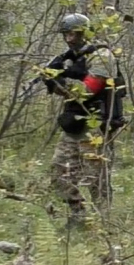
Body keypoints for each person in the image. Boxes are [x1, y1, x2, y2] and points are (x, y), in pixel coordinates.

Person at [43, 13, 123, 229]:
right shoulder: (70, 57)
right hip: (74, 124)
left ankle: (105, 224)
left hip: (96, 124)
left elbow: (87, 91)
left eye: (74, 33)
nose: (70, 38)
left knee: (95, 177)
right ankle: (79, 216)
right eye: (66, 34)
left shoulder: (102, 56)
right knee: (59, 172)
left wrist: (60, 80)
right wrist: (53, 79)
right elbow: (68, 93)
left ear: (85, 33)